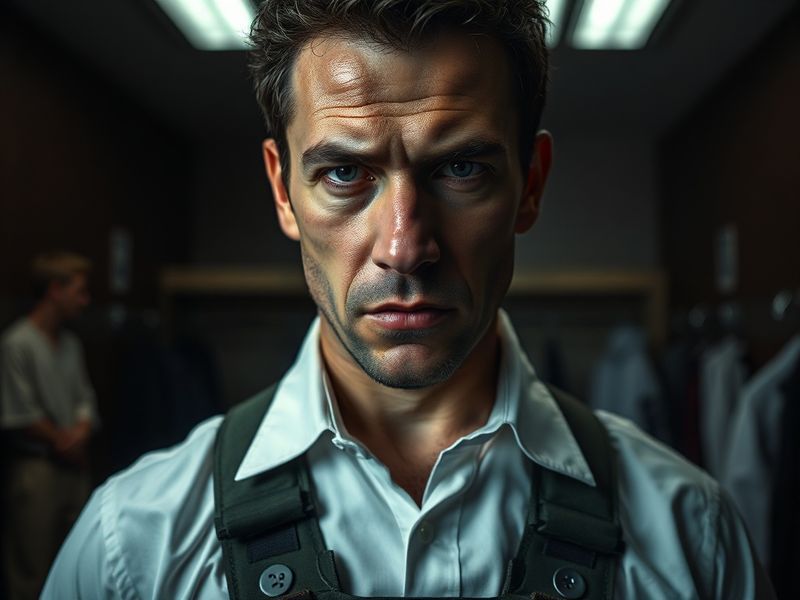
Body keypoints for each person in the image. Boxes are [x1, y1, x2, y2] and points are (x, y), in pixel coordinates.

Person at [44, 2, 773, 598]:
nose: (404, 246)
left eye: (460, 168)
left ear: (530, 184)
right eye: (344, 174)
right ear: (282, 190)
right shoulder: (129, 549)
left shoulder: (692, 538)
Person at [1, 251, 98, 599]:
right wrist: (61, 440)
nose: (85, 301)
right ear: (55, 290)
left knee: (78, 562)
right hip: (37, 469)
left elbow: (85, 398)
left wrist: (81, 431)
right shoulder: (17, 343)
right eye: (79, 291)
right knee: (32, 569)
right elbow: (19, 412)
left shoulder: (70, 344)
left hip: (74, 467)